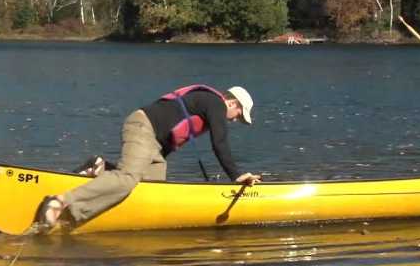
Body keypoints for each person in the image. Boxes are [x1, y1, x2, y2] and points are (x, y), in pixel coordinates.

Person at [33, 85, 261, 233]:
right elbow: (219, 143)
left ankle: (101, 169)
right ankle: (60, 201)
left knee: (152, 192)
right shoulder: (216, 103)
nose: (233, 120)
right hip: (143, 128)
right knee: (128, 178)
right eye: (238, 115)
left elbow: (171, 134)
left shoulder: (209, 104)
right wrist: (237, 176)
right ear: (232, 103)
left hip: (154, 144)